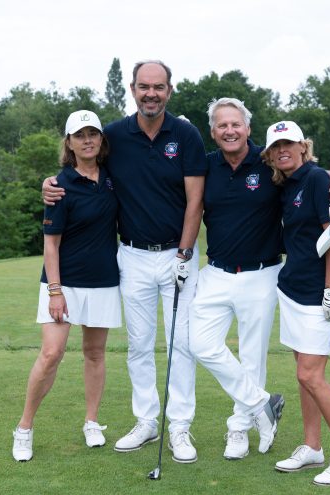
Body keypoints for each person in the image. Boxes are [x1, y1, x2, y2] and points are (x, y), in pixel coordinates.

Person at [42, 61, 206, 463]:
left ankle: (180, 428)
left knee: (180, 344)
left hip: (177, 255)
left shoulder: (185, 134)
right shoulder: (114, 134)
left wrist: (185, 253)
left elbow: (195, 201)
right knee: (139, 345)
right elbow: (80, 165)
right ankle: (146, 421)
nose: (151, 93)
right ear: (132, 89)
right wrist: (48, 184)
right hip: (130, 256)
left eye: (159, 87)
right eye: (144, 87)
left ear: (169, 90)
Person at [190, 98, 330, 460]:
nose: (229, 131)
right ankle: (263, 403)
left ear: (247, 129)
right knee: (200, 344)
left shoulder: (269, 161)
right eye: (221, 125)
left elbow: (313, 173)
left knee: (252, 356)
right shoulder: (206, 166)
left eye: (236, 124)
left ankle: (239, 428)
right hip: (216, 271)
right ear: (213, 132)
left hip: (262, 273)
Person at [12, 110, 122, 461]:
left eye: (93, 134)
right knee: (51, 354)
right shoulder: (59, 185)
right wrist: (56, 290)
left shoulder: (112, 178)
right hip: (64, 283)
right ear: (69, 142)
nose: (87, 140)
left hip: (103, 281)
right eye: (80, 135)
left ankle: (92, 421)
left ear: (101, 140)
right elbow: (51, 244)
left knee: (95, 353)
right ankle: (24, 428)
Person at [261, 120, 330, 486]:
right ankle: (312, 446)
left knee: (310, 375)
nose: (283, 150)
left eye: (290, 143)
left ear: (303, 146)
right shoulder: (284, 184)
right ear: (270, 154)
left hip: (320, 294)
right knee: (302, 374)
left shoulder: (319, 180)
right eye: (277, 146)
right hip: (291, 288)